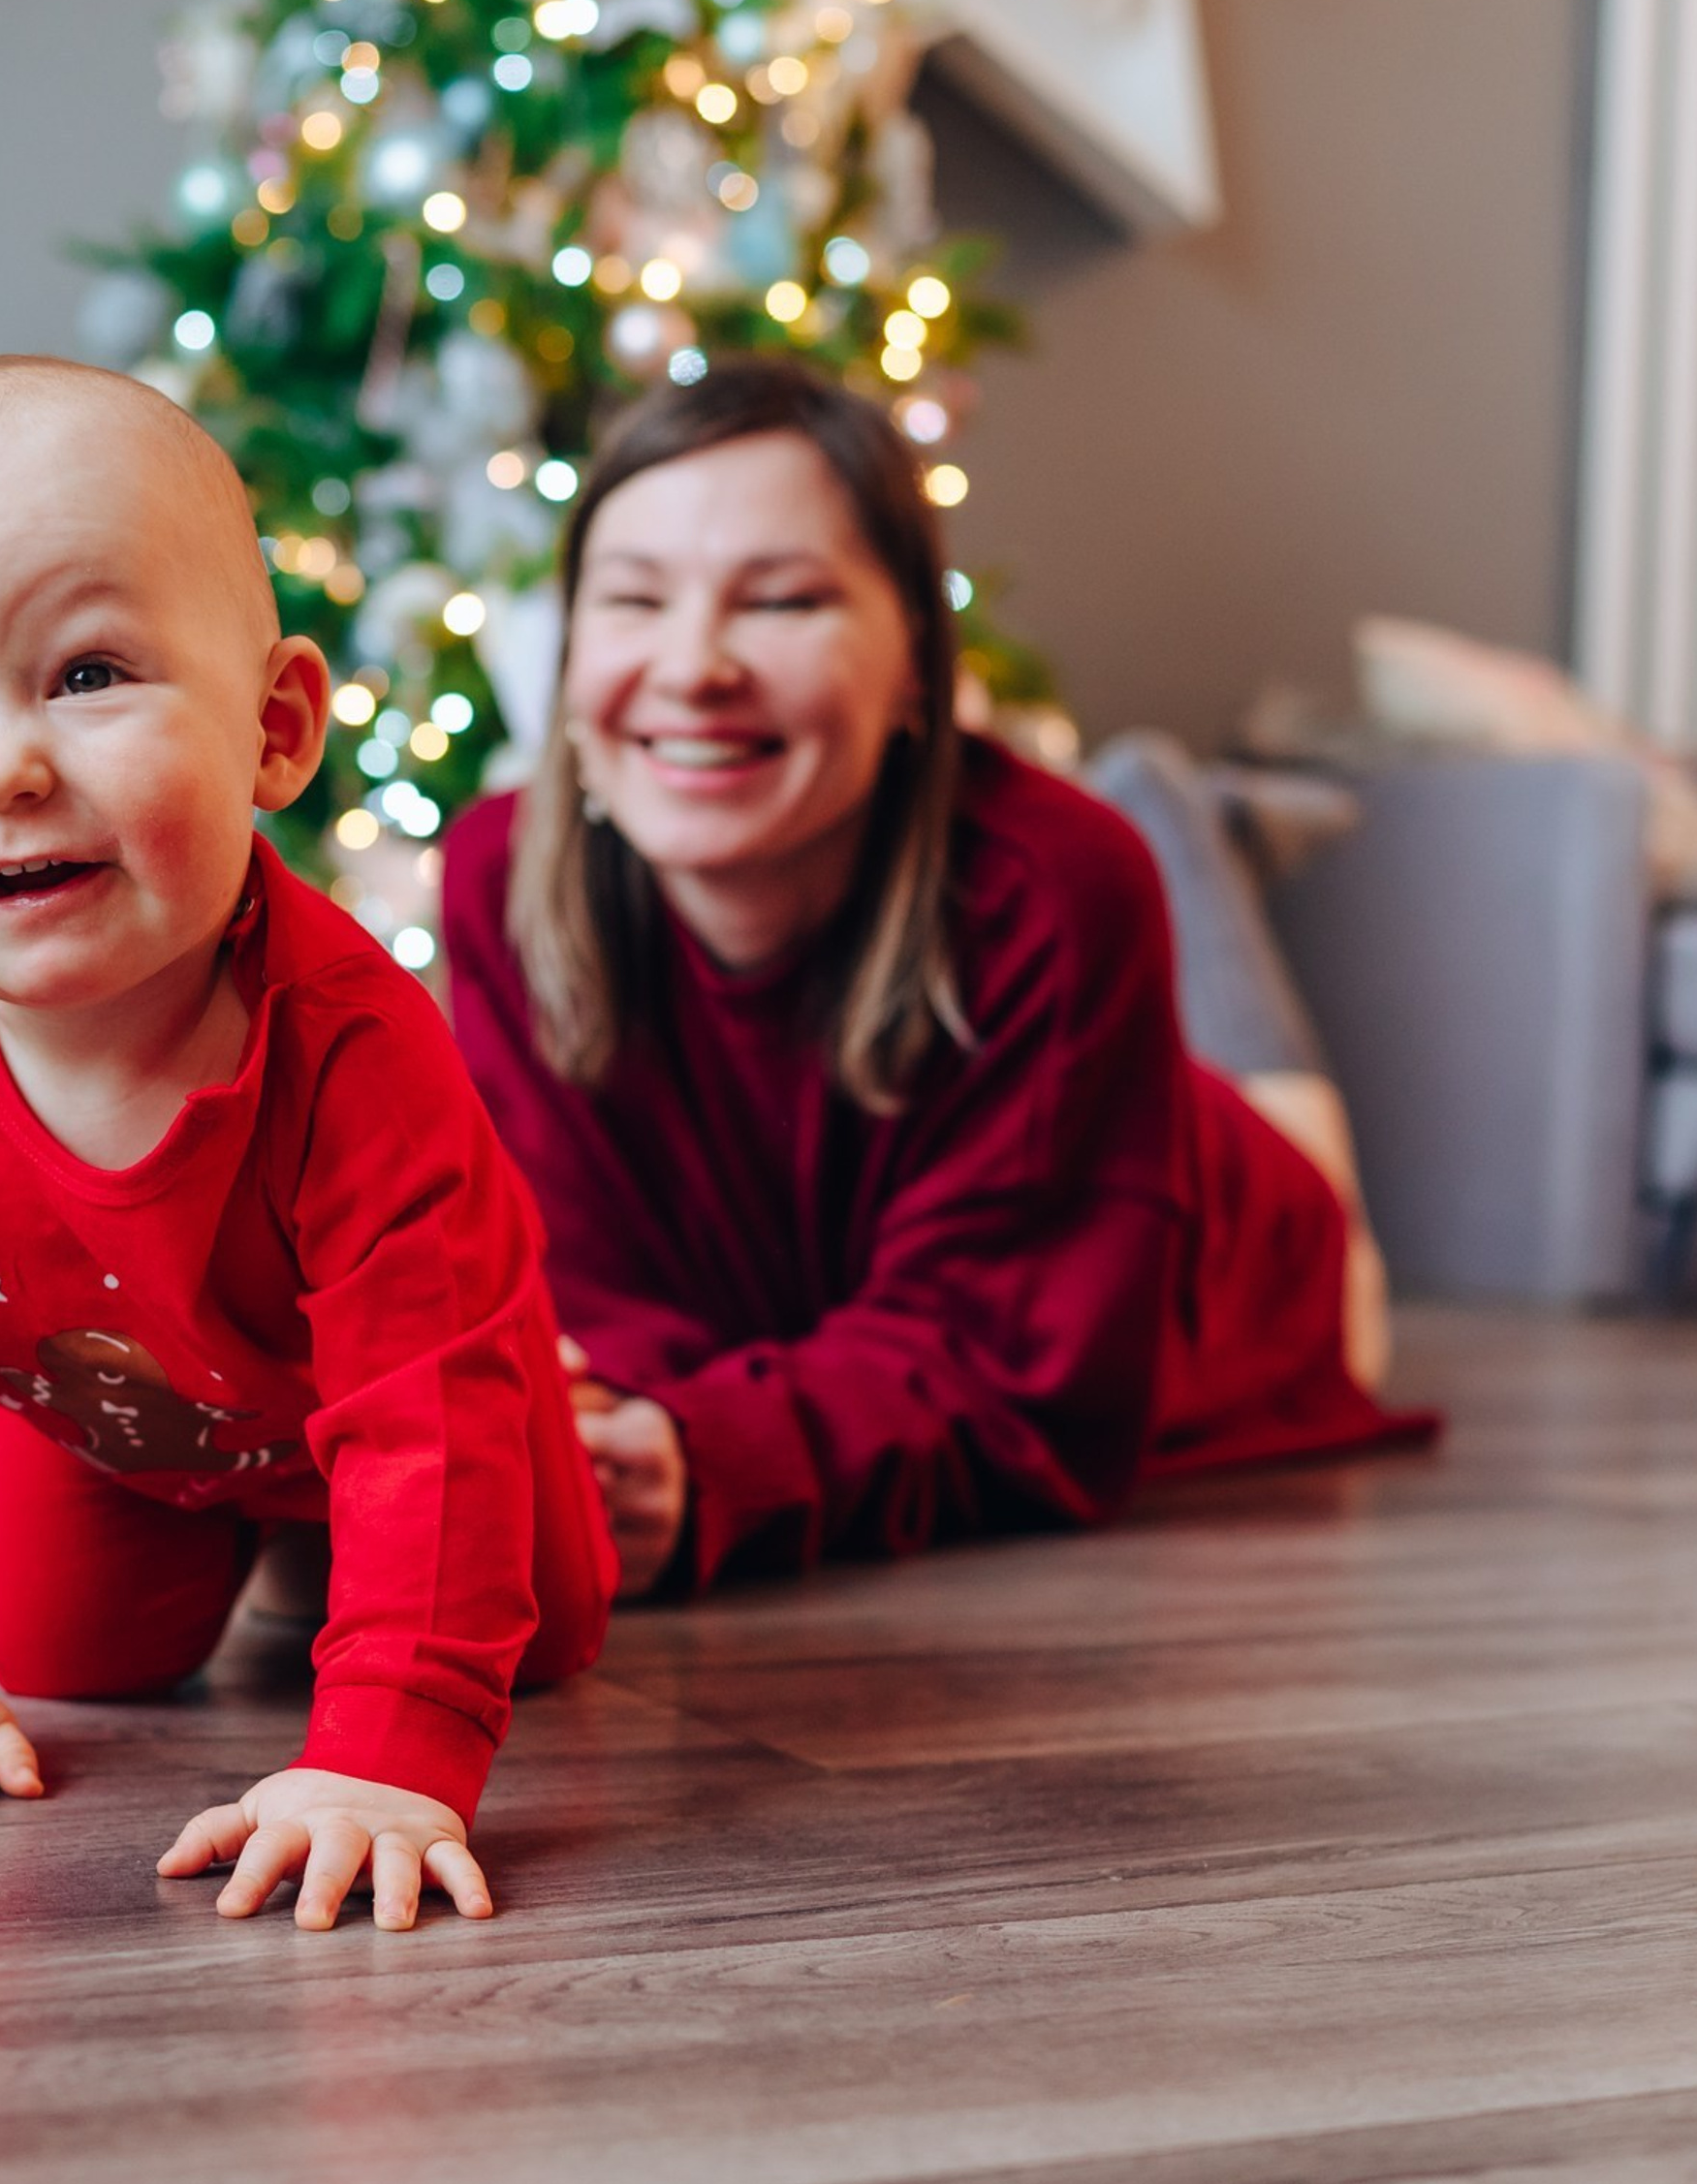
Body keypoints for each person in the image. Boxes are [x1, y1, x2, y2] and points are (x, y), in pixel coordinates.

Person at [0, 356, 613, 1928]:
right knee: (70, 1661)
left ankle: (523, 1438)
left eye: (87, 674)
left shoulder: (354, 1051)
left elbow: (430, 1421)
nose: (1, 768)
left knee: (535, 1631)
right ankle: (279, 1536)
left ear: (276, 733)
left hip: (403, 1385)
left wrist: (388, 1754)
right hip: (108, 1411)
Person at [442, 359, 1432, 1599]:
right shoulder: (494, 875)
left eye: (784, 600)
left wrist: (711, 1454)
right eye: (632, 600)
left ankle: (1186, 822)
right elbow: (577, 1286)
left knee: (1223, 1047)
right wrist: (608, 1426)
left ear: (917, 660)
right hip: (877, 1281)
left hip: (1237, 1272)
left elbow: (1017, 1373)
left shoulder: (1060, 886)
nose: (692, 666)